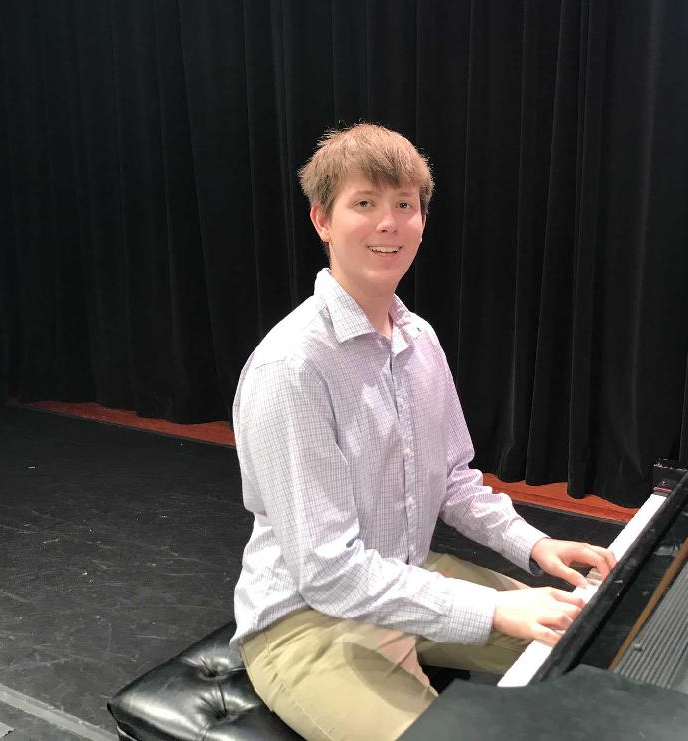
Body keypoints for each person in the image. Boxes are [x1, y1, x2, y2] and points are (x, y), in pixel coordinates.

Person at [230, 123, 616, 740]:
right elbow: (327, 572)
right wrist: (494, 606)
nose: (389, 223)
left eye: (404, 205)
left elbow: (453, 481)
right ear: (322, 220)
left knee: (593, 646)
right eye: (364, 203)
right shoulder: (292, 366)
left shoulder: (420, 340)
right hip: (307, 621)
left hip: (406, 576)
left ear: (422, 220)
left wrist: (534, 544)